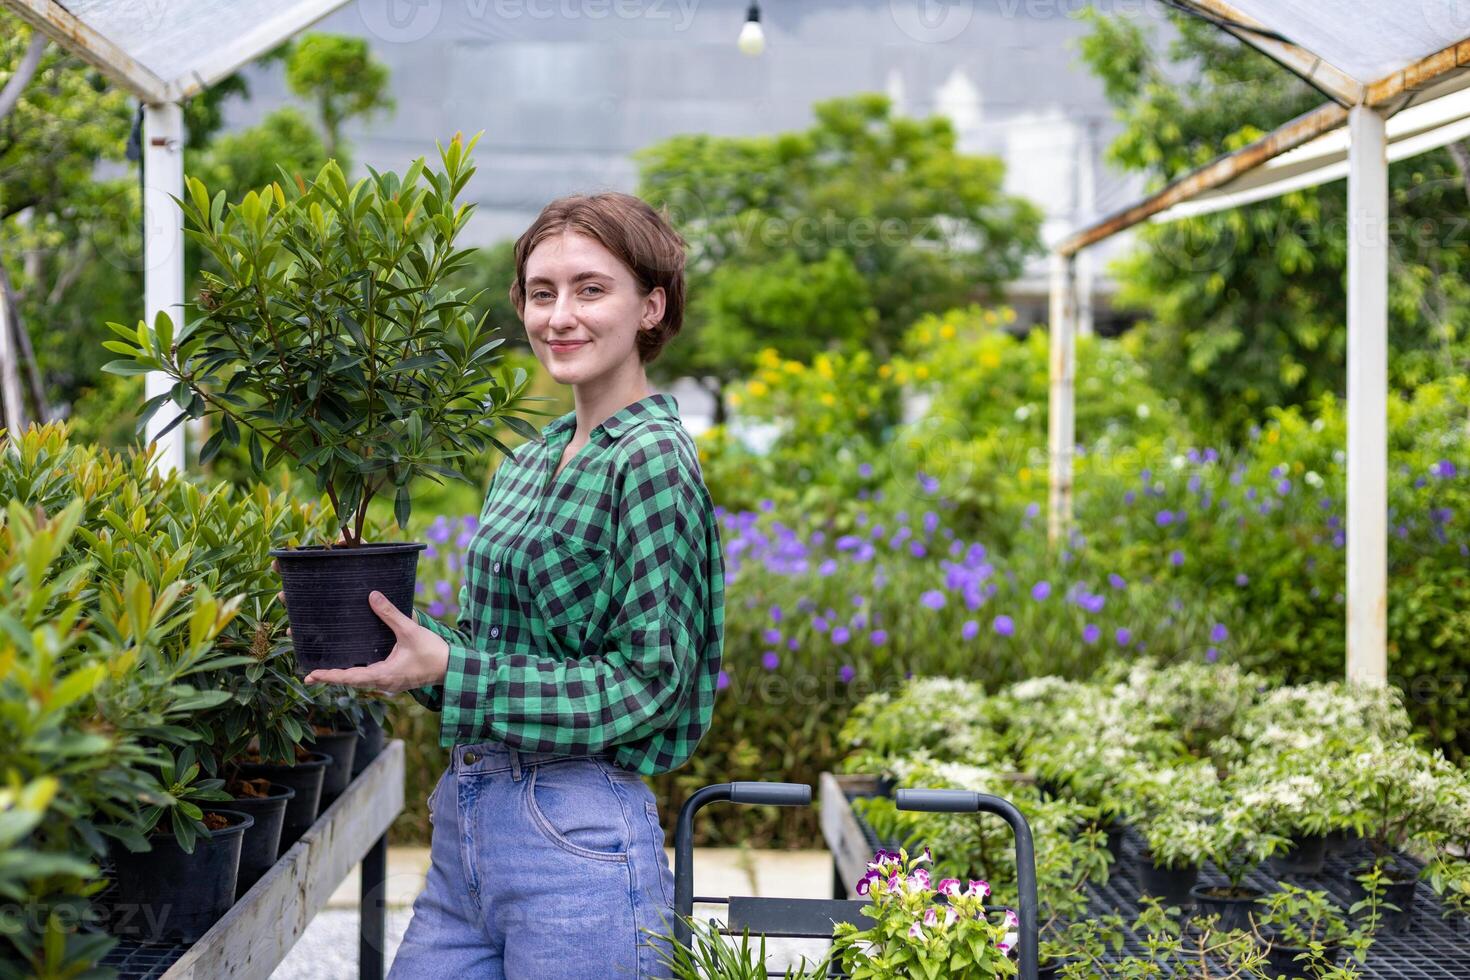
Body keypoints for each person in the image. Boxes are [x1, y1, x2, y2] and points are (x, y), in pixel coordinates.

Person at [295, 192, 726, 978]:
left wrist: (454, 671)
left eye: (591, 289)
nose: (559, 315)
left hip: (578, 841)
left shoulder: (651, 457)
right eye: (541, 292)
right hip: (469, 830)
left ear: (650, 307)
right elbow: (493, 651)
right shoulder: (532, 458)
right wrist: (410, 650)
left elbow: (646, 685)